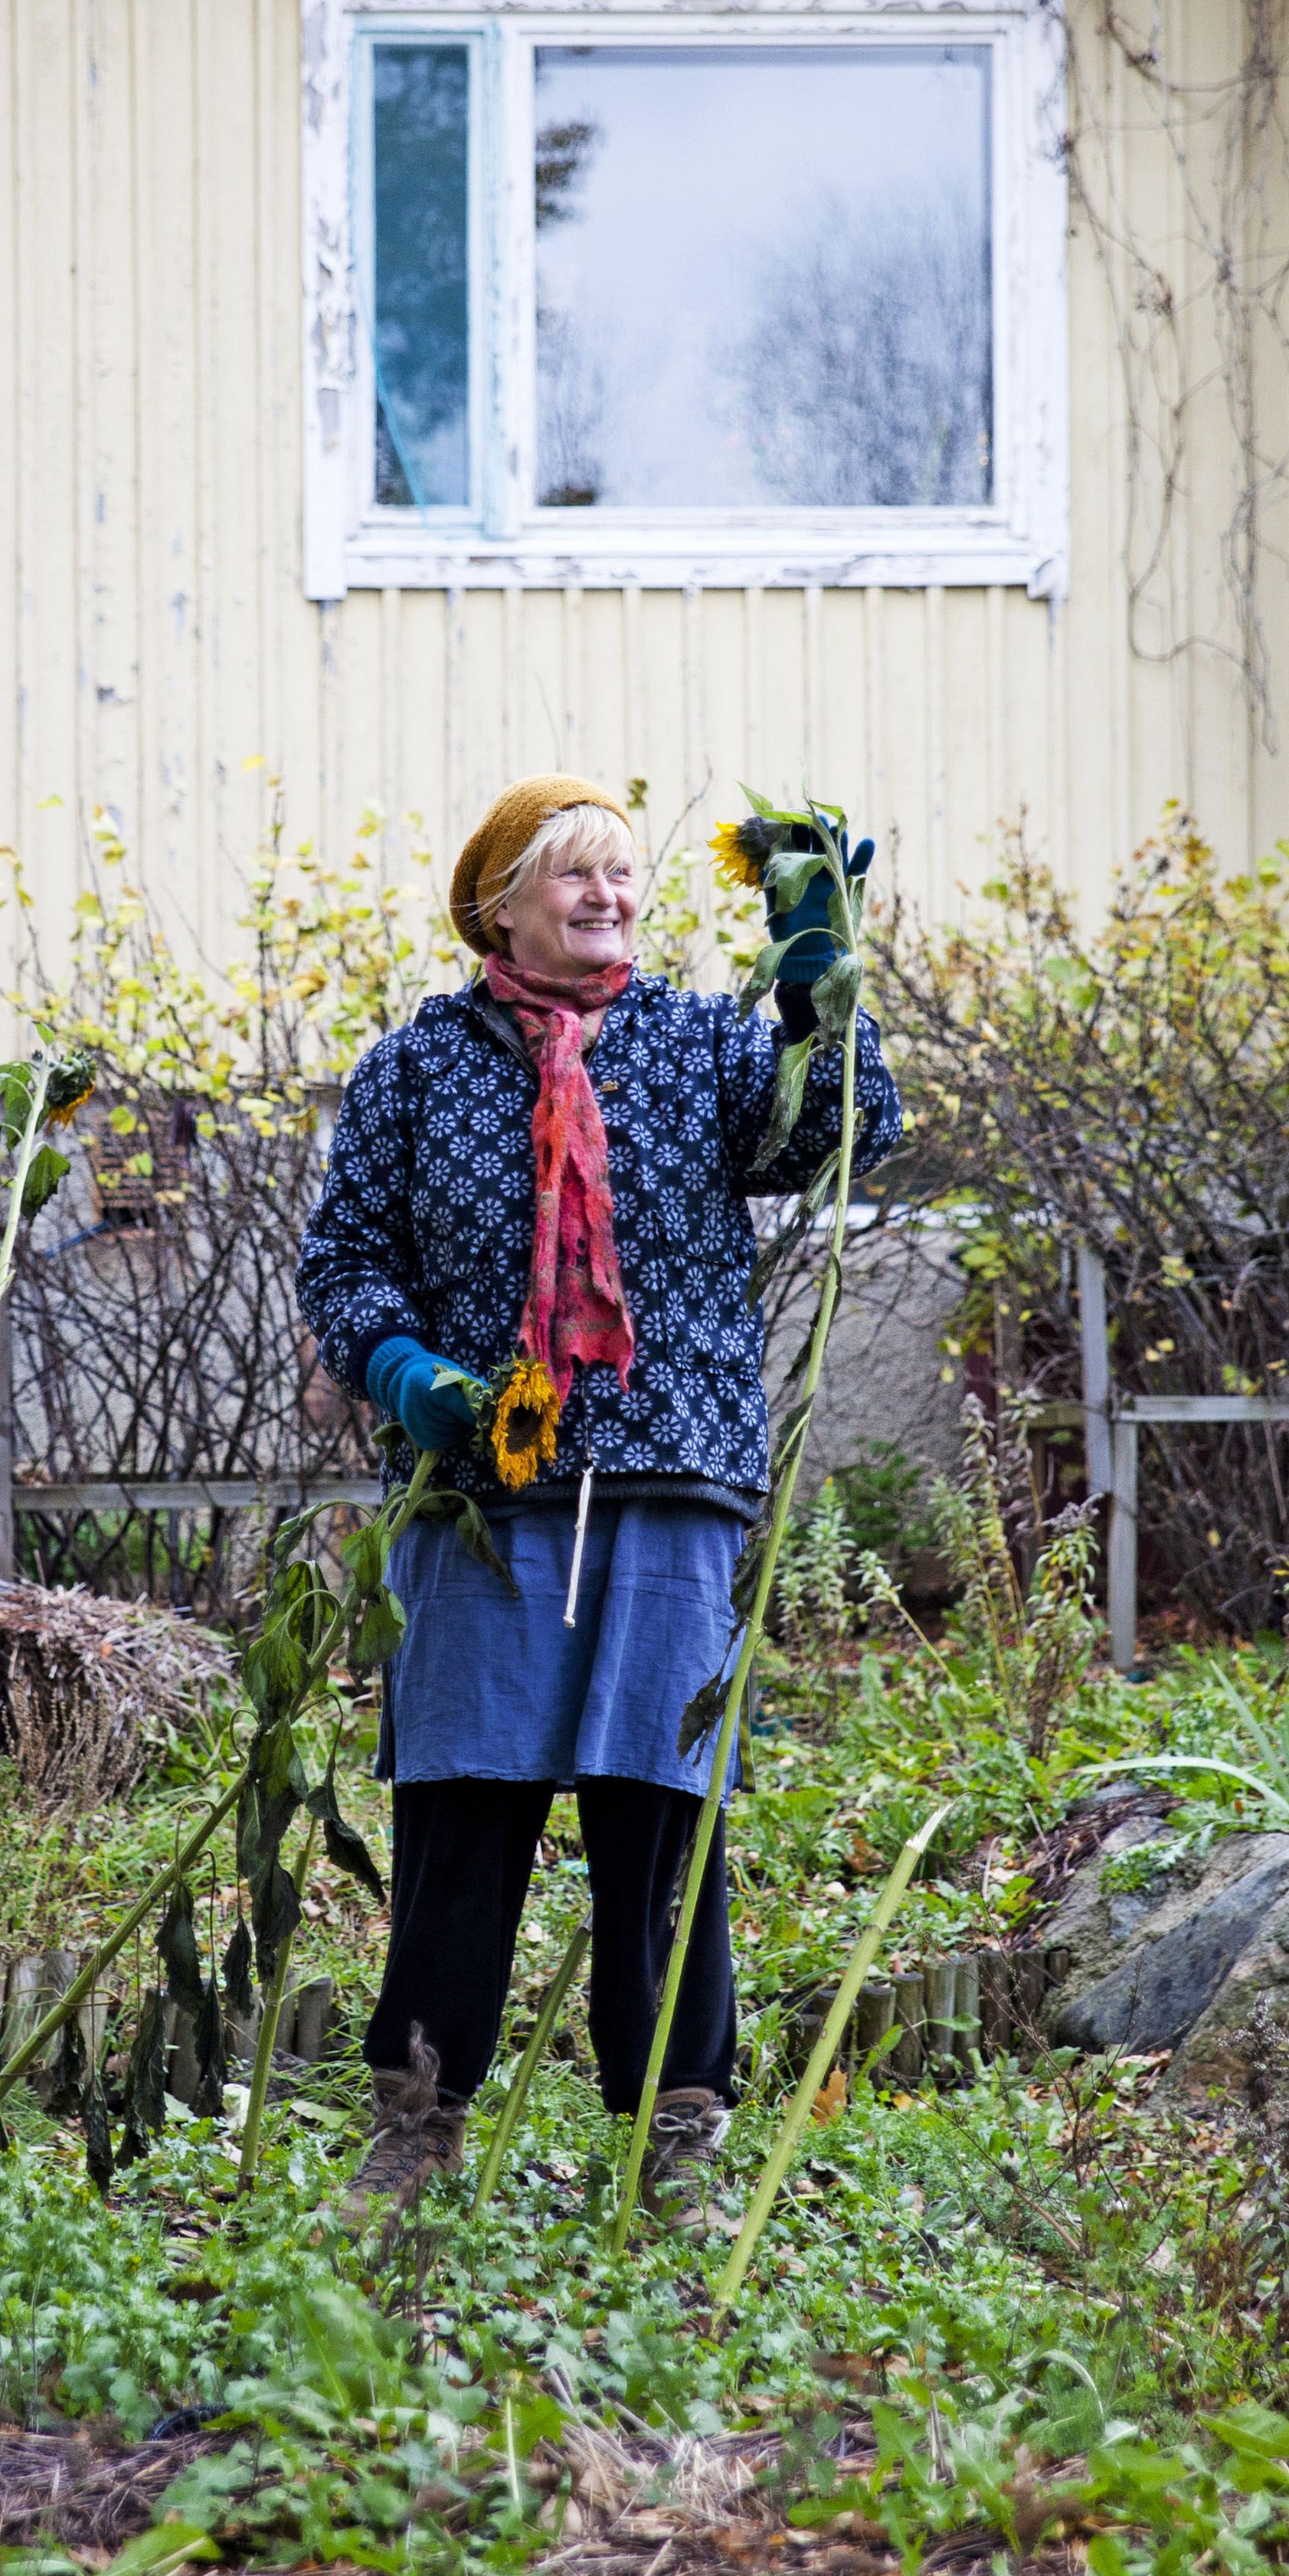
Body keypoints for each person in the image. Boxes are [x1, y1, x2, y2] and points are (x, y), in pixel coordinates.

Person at [296, 772, 903, 2226]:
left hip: (669, 1476)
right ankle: (416, 2127)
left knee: (659, 1818)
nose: (607, 895)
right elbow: (346, 1260)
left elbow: (839, 1137)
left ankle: (676, 2139)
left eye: (623, 872)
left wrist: (819, 984)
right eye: (573, 873)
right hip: (481, 1489)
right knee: (461, 1813)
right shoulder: (415, 1068)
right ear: (497, 905)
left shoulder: (699, 1042)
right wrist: (406, 1374)